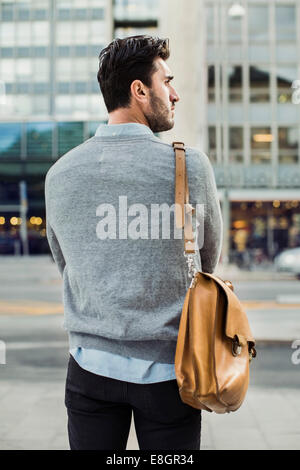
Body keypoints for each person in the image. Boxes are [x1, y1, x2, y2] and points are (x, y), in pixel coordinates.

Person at [45, 35, 223, 450]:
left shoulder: (60, 174)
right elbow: (208, 261)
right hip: (170, 373)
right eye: (167, 82)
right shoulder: (188, 164)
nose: (174, 94)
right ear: (139, 90)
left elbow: (66, 263)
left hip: (89, 370)